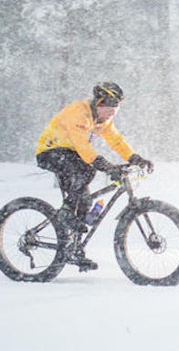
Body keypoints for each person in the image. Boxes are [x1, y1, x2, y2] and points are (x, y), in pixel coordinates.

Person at [35, 81, 153, 271]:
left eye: (116, 108)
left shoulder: (101, 120)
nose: (112, 113)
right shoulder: (78, 113)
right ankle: (65, 212)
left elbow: (116, 141)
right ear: (99, 103)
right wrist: (105, 166)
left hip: (71, 154)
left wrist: (134, 158)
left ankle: (74, 249)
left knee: (85, 201)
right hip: (51, 151)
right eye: (109, 108)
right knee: (87, 170)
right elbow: (83, 147)